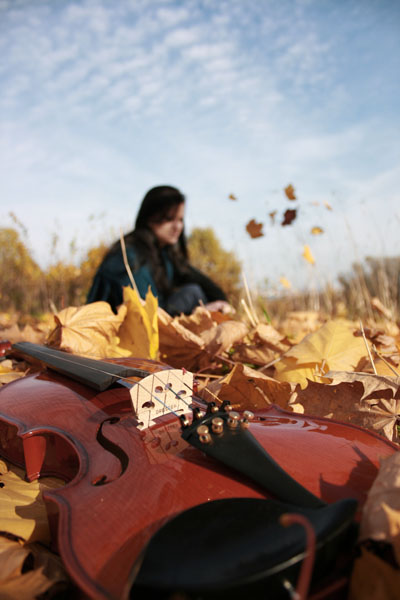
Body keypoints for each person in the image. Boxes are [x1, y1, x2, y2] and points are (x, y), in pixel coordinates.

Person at [86, 185, 232, 316]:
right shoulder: (132, 255)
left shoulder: (165, 256)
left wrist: (219, 304)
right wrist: (197, 314)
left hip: (147, 324)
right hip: (124, 331)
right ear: (149, 218)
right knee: (192, 293)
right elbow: (143, 313)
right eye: (169, 219)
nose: (177, 227)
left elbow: (202, 283)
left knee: (194, 291)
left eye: (180, 220)